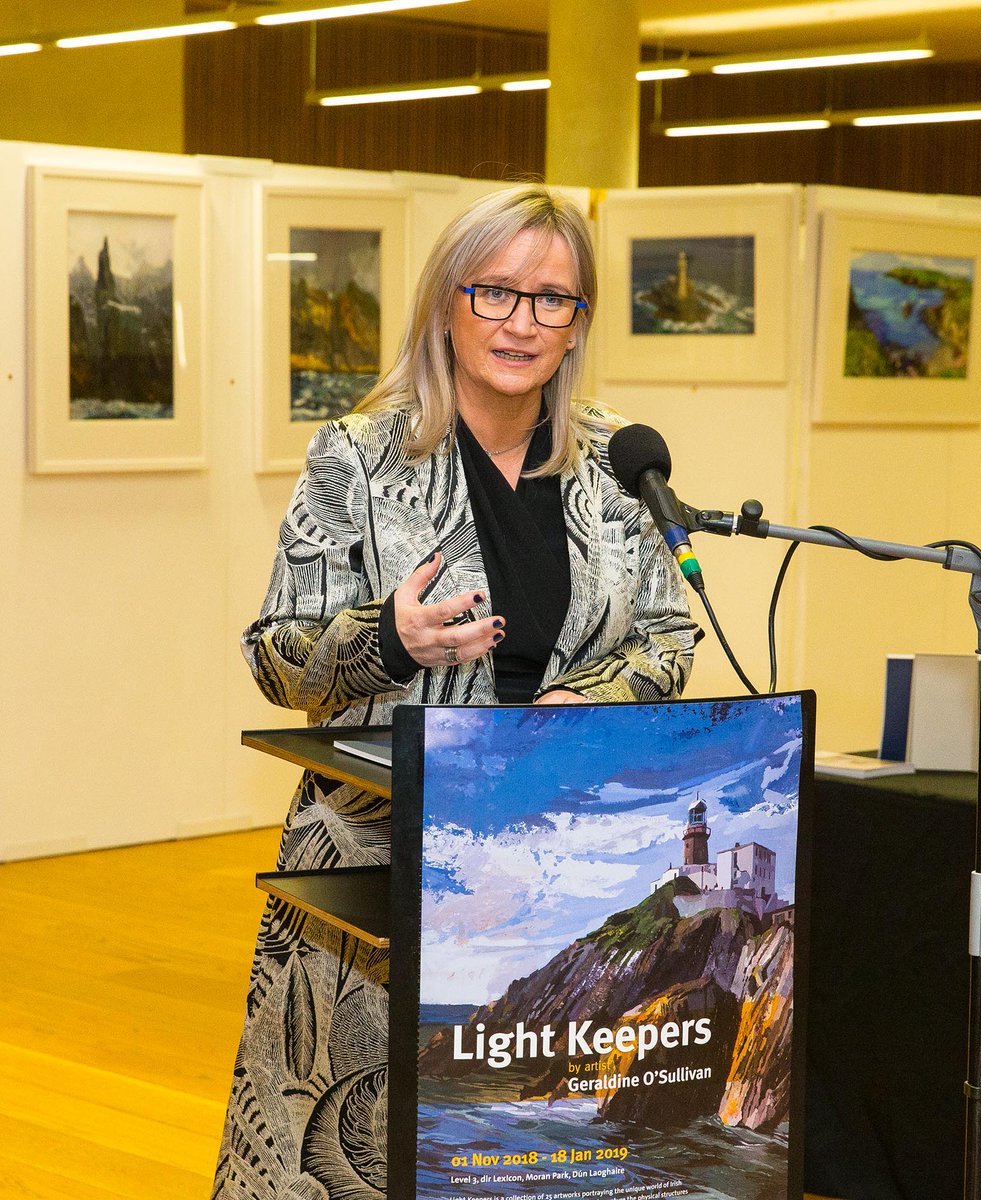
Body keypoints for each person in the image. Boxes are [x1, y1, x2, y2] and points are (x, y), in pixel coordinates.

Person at [212, 185, 698, 1198]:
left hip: (554, 878)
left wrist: (584, 711)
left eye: (552, 300)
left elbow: (668, 637)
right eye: (496, 293)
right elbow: (274, 654)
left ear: (580, 323)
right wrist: (387, 637)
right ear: (446, 303)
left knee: (530, 1156)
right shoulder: (359, 456)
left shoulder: (618, 462)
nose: (523, 323)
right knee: (361, 1158)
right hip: (380, 865)